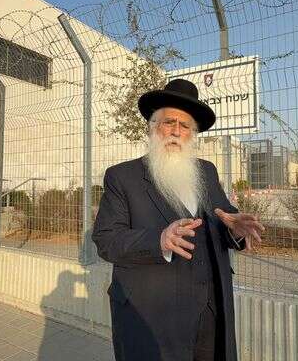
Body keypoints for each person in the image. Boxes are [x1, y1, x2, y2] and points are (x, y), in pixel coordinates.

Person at [92, 78, 265, 361]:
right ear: (152, 127)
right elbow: (106, 240)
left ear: (192, 134)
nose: (175, 131)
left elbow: (223, 219)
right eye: (168, 122)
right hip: (153, 315)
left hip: (211, 310)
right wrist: (158, 240)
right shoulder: (122, 177)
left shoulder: (206, 171)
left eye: (184, 126)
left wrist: (235, 231)